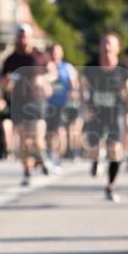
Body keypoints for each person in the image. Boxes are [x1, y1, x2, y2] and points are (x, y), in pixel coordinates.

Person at [81, 33, 128, 202]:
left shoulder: (122, 71)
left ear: (117, 49)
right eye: (104, 44)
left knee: (115, 150)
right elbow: (81, 91)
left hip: (115, 114)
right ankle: (95, 160)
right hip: (95, 113)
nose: (107, 48)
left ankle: (110, 186)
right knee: (94, 147)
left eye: (110, 45)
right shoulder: (90, 67)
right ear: (99, 47)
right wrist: (84, 109)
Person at [0, 24, 52, 186]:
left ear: (30, 37)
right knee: (23, 140)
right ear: (16, 38)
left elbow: (53, 72)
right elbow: (1, 79)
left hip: (36, 100)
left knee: (36, 137)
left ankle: (42, 157)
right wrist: (6, 83)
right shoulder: (11, 59)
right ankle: (27, 171)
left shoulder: (40, 56)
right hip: (18, 102)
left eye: (25, 35)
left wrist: (43, 80)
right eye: (20, 35)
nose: (22, 38)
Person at [45, 43, 79, 171]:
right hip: (48, 104)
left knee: (60, 131)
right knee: (49, 134)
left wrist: (73, 92)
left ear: (62, 53)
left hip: (63, 104)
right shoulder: (46, 67)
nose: (55, 54)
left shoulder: (67, 67)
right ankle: (51, 156)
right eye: (53, 51)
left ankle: (58, 158)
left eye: (57, 51)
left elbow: (74, 84)